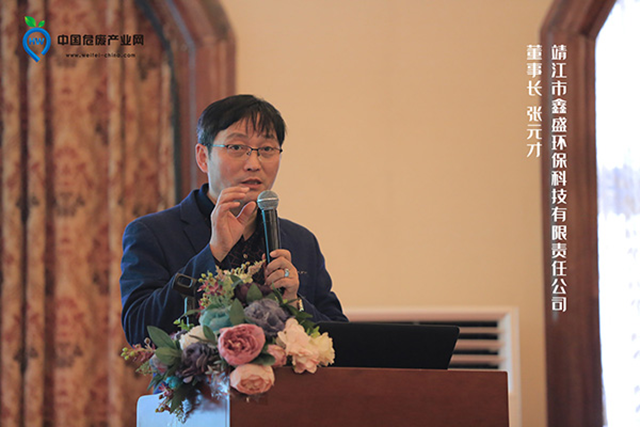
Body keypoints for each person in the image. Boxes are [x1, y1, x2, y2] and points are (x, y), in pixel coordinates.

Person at [120, 95, 347, 345]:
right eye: (237, 147)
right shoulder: (153, 233)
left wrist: (295, 303)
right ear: (203, 157)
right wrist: (213, 253)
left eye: (267, 149)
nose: (253, 164)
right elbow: (139, 330)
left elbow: (342, 340)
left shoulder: (301, 241)